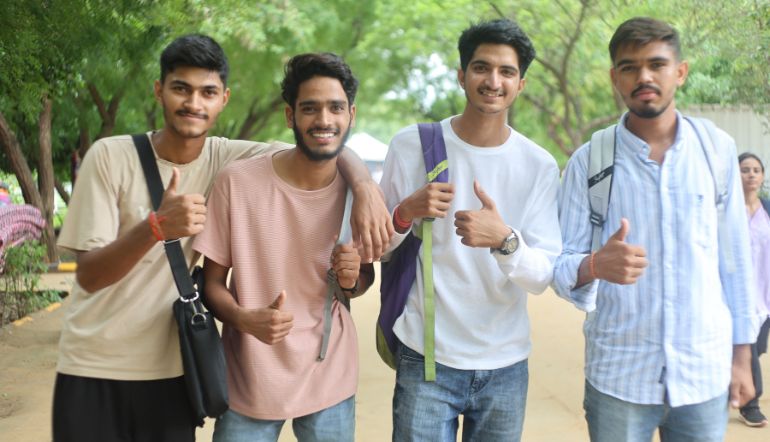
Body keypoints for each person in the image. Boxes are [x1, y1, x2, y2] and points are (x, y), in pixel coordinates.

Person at [53, 35, 390, 441]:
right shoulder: (114, 157)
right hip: (97, 365)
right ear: (159, 91)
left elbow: (325, 144)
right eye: (181, 88)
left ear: (223, 99)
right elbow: (89, 276)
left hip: (174, 368)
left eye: (207, 92)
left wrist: (365, 185)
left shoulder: (227, 156)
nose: (194, 103)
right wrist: (156, 228)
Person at [553, 17, 757, 441]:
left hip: (703, 372)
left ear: (680, 72)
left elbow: (736, 262)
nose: (643, 76)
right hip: (619, 377)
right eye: (629, 67)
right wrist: (595, 265)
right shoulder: (590, 162)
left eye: (657, 64)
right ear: (615, 78)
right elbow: (561, 266)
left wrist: (742, 358)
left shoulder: (716, 150)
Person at [379, 19, 562, 441]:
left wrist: (505, 241)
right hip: (426, 357)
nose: (493, 81)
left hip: (506, 365)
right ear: (462, 75)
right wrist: (406, 212)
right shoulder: (411, 145)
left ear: (521, 84)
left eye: (507, 72)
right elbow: (378, 247)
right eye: (481, 68)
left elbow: (543, 275)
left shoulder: (538, 164)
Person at [193, 52, 374, 442]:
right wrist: (243, 319)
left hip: (329, 375)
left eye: (335, 108)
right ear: (290, 116)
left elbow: (361, 281)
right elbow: (211, 284)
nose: (324, 120)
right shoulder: (237, 182)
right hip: (249, 378)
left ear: (351, 115)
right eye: (310, 108)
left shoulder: (359, 194)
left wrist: (352, 279)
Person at [738, 152, 770, 427]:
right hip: (737, 294)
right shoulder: (726, 210)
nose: (751, 174)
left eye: (756, 170)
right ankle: (751, 405)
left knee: (756, 348)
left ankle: (734, 388)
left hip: (765, 292)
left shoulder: (768, 209)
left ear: (762, 176)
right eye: (745, 169)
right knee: (746, 345)